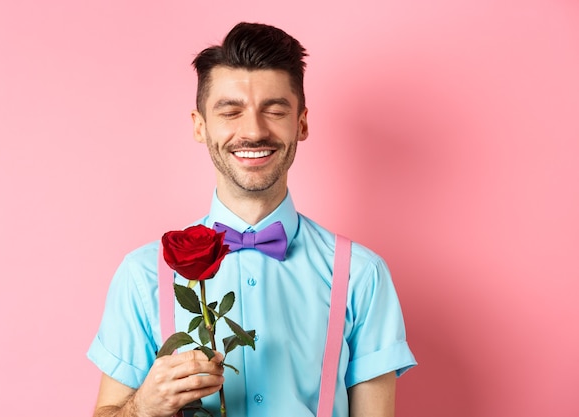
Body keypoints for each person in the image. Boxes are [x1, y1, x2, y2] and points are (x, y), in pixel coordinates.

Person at [88, 22, 416, 417]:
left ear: (302, 123)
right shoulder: (142, 275)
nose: (254, 131)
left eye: (274, 110)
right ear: (199, 125)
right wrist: (143, 406)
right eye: (230, 111)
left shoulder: (362, 275)